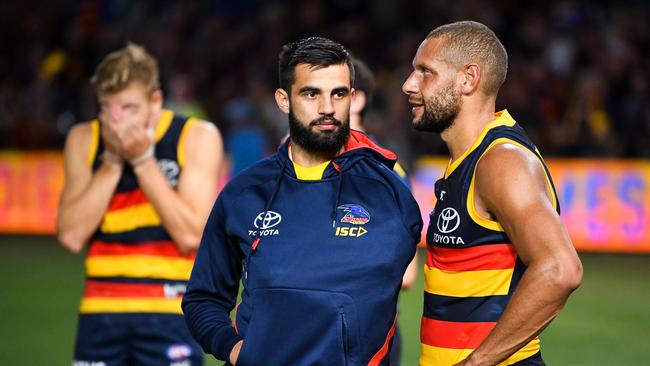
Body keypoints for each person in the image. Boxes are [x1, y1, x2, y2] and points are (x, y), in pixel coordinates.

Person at [182, 36, 422, 365]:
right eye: (311, 93)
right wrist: (235, 350)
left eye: (338, 94)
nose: (327, 108)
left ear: (352, 98)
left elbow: (418, 283)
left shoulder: (389, 190)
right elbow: (203, 298)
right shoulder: (245, 193)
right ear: (284, 99)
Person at [402, 21, 583, 365]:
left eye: (425, 72)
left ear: (468, 78)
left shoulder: (500, 161)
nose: (408, 84)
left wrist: (478, 362)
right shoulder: (471, 158)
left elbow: (560, 268)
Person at [57, 43, 223, 365]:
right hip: (100, 311)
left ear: (155, 101)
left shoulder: (196, 136)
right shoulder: (83, 139)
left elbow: (191, 236)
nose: (116, 121)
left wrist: (144, 161)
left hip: (170, 309)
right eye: (107, 108)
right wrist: (113, 163)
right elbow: (71, 235)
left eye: (129, 108)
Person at [350, 56, 418, 366]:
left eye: (337, 93)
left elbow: (406, 274)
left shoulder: (385, 170)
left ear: (357, 99)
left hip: (368, 335)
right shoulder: (294, 162)